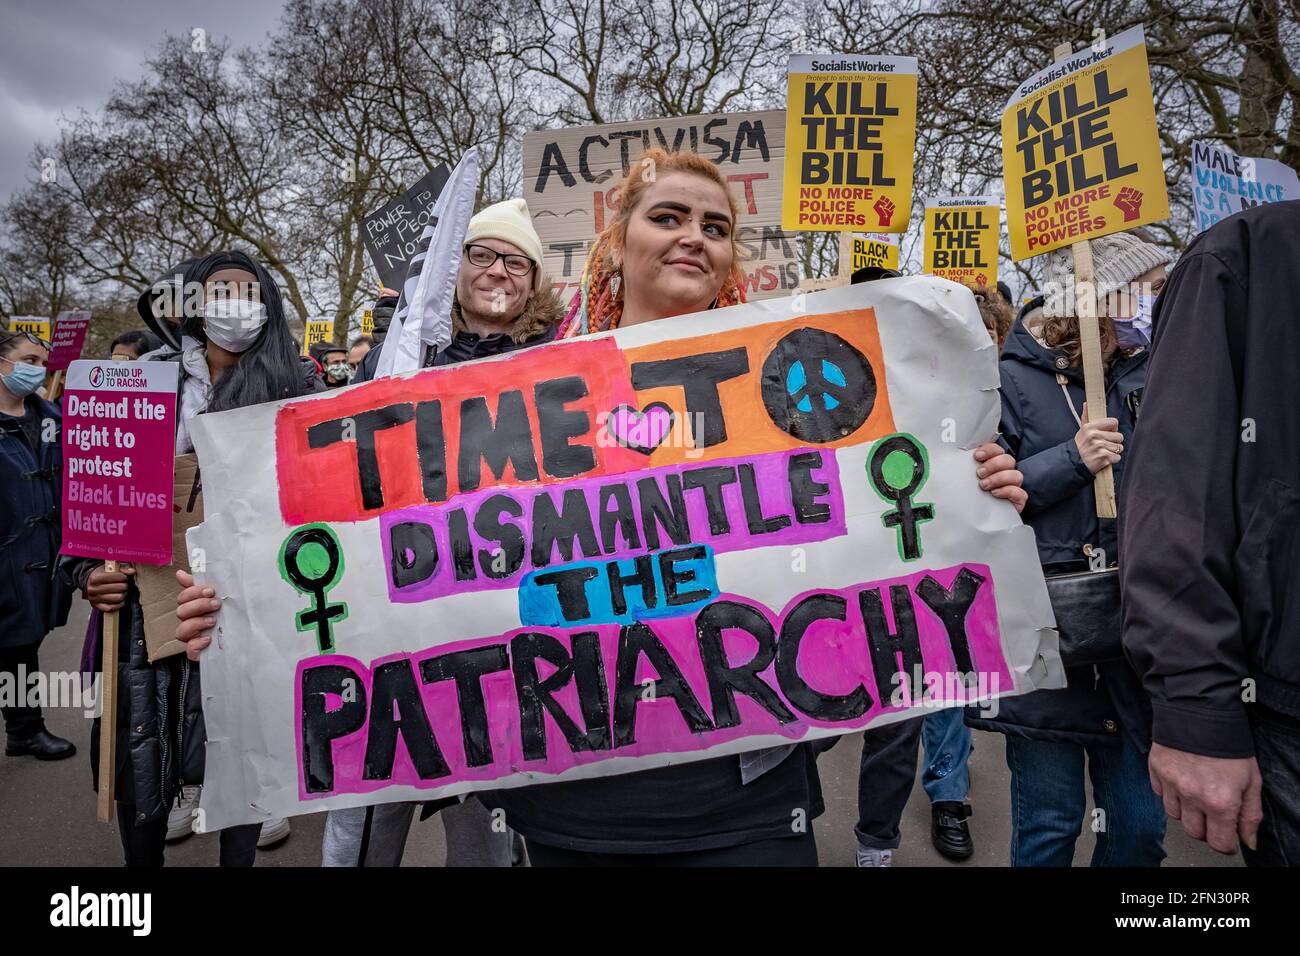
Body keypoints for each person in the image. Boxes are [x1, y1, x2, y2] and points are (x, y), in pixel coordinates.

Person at [200, 198, 560, 866]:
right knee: (366, 815)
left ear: (533, 283)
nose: (497, 272)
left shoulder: (561, 364)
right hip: (392, 618)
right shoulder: (392, 361)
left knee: (487, 831)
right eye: (481, 255)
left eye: (516, 262)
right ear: (454, 269)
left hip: (502, 626)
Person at [71, 250, 319, 865]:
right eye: (218, 290)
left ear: (268, 305)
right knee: (142, 759)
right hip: (142, 618)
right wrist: (88, 571)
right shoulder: (141, 386)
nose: (233, 304)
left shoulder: (301, 392)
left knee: (242, 757)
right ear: (190, 303)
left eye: (247, 290)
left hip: (255, 610)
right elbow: (89, 493)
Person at [968, 230, 1171, 867]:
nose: (1157, 304)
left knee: (1140, 833)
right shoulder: (1009, 378)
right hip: (1052, 636)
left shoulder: (1158, 371)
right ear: (1103, 298)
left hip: (1139, 638)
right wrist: (1073, 461)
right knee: (1048, 829)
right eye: (1149, 288)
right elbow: (981, 499)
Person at [1120, 201, 1300, 865]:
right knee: (1057, 813)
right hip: (1278, 689)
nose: (1133, 305)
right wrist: (1199, 708)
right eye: (1128, 291)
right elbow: (1174, 498)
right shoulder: (1250, 257)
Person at [848, 269, 976, 867]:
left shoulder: (939, 385)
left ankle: (877, 838)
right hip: (827, 579)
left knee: (899, 725)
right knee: (803, 720)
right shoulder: (815, 382)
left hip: (913, 578)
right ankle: (776, 821)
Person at [1, 329, 75, 760]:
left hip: (34, 555)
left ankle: (24, 729)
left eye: (41, 362)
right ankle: (25, 727)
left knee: (20, 644)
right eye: (27, 358)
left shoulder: (52, 418)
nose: (36, 369)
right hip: (7, 550)